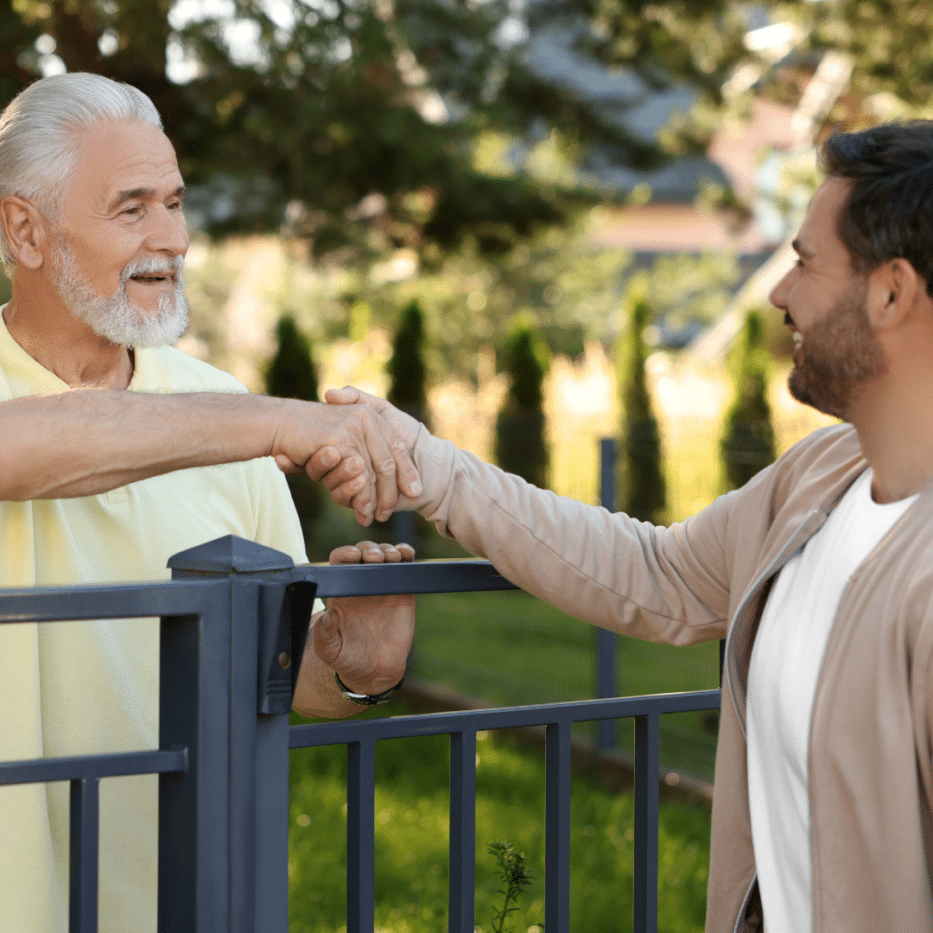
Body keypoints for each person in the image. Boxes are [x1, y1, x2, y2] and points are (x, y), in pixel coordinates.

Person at [326, 121, 933, 933]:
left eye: (804, 261)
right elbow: (654, 571)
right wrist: (430, 467)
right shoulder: (818, 476)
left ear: (890, 292)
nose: (777, 293)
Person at [0, 73, 417, 932]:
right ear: (24, 229)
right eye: (132, 209)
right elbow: (26, 449)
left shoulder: (222, 411)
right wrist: (280, 422)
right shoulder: (242, 422)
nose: (174, 238)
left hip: (182, 906)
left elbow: (274, 679)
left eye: (176, 202)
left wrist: (355, 670)